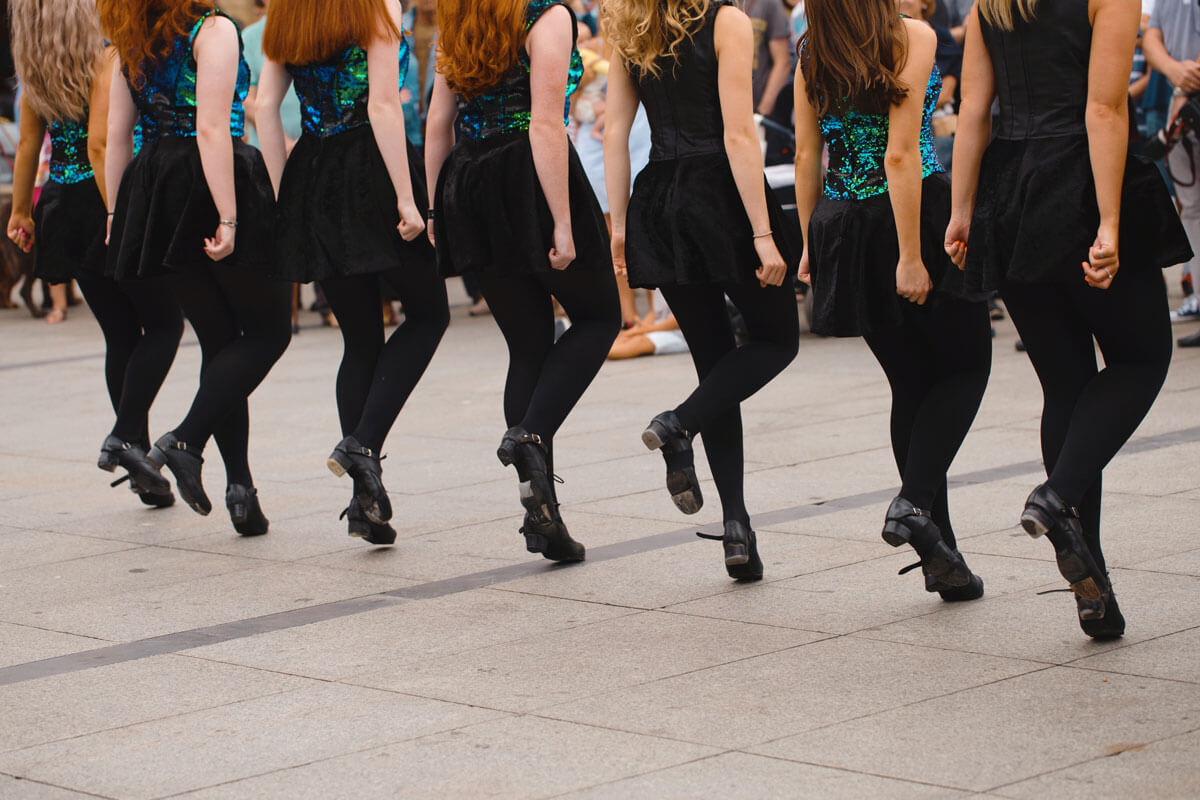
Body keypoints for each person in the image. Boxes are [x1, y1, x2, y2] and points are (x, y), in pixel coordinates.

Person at [947, 0, 1191, 638]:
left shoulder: (989, 6)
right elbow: (1103, 108)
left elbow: (974, 113)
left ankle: (1096, 589)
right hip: (1082, 179)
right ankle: (1056, 498)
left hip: (1009, 192)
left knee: (1066, 385)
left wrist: (963, 210)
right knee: (1142, 359)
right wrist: (1110, 221)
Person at [794, 0, 991, 600]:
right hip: (908, 216)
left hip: (843, 221)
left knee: (911, 385)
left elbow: (808, 155)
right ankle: (914, 504)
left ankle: (942, 556)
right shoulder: (912, 36)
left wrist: (810, 243)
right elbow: (901, 152)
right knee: (966, 369)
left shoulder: (811, 46)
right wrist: (911, 255)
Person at [605, 0, 801, 580]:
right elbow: (739, 134)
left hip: (658, 199)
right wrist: (764, 235)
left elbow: (617, 133)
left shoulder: (628, 26)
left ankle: (736, 528)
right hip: (720, 196)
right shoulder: (726, 21)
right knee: (777, 341)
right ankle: (678, 423)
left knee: (716, 366)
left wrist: (618, 228)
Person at [427, 0, 621, 563]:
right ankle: (529, 433)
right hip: (529, 174)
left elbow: (438, 125)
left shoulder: (458, 21)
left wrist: (439, 211)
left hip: (469, 181)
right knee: (601, 317)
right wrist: (561, 218)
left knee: (528, 347)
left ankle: (544, 522)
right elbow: (544, 122)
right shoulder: (548, 14)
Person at [258, 0, 450, 546]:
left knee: (360, 339)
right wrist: (408, 199)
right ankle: (362, 444)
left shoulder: (287, 14)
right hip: (371, 169)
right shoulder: (376, 6)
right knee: (430, 314)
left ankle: (363, 500)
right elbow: (383, 107)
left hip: (313, 174)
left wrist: (282, 193)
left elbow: (263, 107)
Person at [100, 0, 293, 535]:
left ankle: (241, 490)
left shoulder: (129, 38)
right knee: (271, 332)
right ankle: (185, 440)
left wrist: (118, 212)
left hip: (156, 185)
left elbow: (119, 133)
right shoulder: (214, 29)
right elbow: (211, 128)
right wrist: (229, 216)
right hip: (210, 179)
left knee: (220, 342)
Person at [6, 0, 183, 508]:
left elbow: (27, 147)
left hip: (60, 205)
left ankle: (139, 466)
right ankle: (127, 436)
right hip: (107, 200)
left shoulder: (35, 69)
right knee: (166, 325)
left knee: (120, 335)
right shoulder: (107, 56)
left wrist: (21, 212)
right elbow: (100, 146)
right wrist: (119, 216)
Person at [1144, 0, 1200, 340]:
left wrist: (1184, 83)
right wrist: (1174, 72)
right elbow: (1152, 37)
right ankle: (1198, 298)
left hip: (1184, 98)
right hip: (1182, 107)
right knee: (1192, 208)